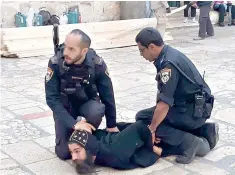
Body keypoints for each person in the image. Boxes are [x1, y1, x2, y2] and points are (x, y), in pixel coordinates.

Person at [134, 27, 219, 164]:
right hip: (193, 109)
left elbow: (164, 104)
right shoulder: (167, 55)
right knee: (149, 116)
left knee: (147, 121)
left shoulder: (169, 64)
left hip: (191, 112)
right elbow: (163, 93)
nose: (141, 54)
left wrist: (152, 129)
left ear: (151, 47)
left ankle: (191, 143)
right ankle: (204, 130)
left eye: (141, 50)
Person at [45, 29, 119, 160]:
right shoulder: (56, 63)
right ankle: (77, 130)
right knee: (64, 153)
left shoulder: (96, 64)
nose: (66, 52)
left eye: (72, 49)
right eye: (66, 47)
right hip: (65, 108)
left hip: (86, 105)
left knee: (97, 109)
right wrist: (73, 124)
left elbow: (107, 94)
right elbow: (52, 99)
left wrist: (111, 125)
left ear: (84, 51)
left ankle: (86, 134)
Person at [68, 121, 210, 174]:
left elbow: (136, 128)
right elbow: (140, 128)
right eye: (73, 152)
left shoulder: (103, 150)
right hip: (152, 144)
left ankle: (205, 131)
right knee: (151, 122)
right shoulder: (113, 152)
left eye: (76, 151)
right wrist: (152, 142)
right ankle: (204, 135)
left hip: (139, 140)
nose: (73, 157)